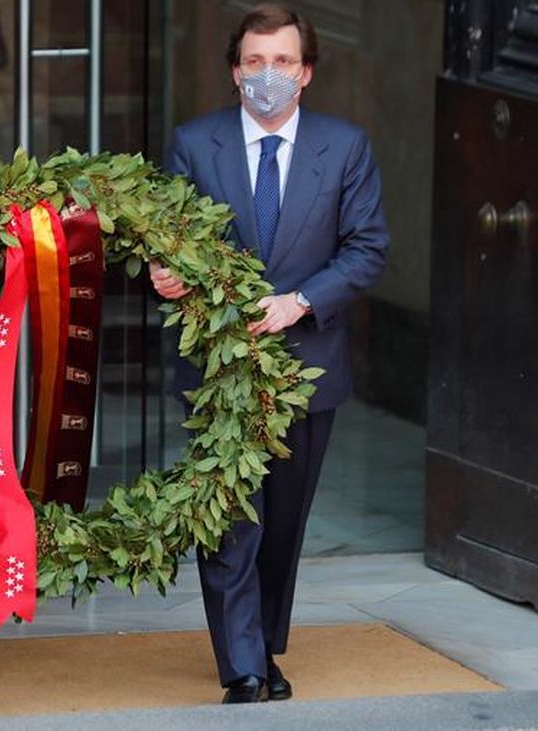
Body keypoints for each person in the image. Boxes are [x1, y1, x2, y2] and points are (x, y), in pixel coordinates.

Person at [152, 3, 389, 705]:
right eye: (254, 61)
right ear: (234, 71)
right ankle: (244, 666)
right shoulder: (195, 144)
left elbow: (368, 248)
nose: (268, 74)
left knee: (282, 523)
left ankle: (262, 645)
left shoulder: (345, 147)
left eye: (282, 61)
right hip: (219, 369)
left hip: (306, 365)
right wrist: (164, 272)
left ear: (306, 71)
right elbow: (168, 240)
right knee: (229, 519)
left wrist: (299, 301)